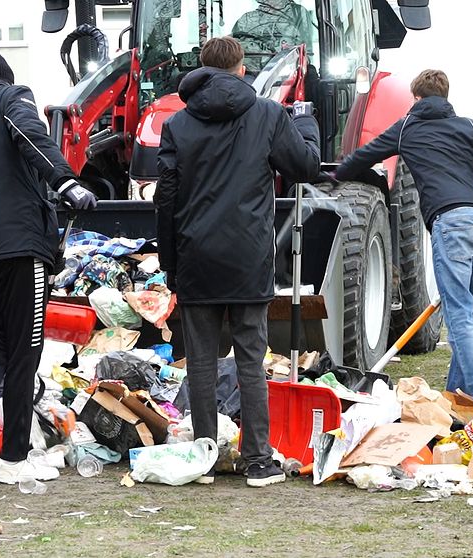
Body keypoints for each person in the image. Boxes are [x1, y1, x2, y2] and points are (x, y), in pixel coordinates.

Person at [155, 36, 320, 487]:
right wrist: (304, 125)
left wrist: (171, 264)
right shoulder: (266, 114)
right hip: (247, 257)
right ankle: (258, 461)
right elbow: (305, 166)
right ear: (242, 69)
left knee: (202, 361)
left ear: (202, 70)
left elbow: (165, 199)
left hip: (196, 258)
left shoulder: (178, 125)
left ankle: (204, 454)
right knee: (251, 359)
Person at [0, 50, 97, 485]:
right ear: (3, 82)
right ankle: (13, 456)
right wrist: (65, 182)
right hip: (19, 246)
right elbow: (32, 138)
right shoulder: (12, 98)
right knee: (26, 349)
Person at [335, 69, 473, 412]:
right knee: (471, 316)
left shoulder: (408, 127)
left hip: (450, 222)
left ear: (418, 98)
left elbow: (365, 156)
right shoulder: (468, 127)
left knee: (459, 320)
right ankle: (456, 396)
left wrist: (333, 175)